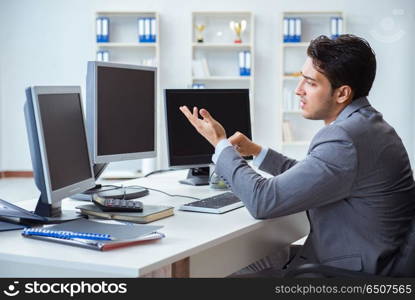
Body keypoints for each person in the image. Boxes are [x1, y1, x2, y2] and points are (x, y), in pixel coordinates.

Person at [179, 34, 415, 277]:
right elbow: (312, 173)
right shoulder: (368, 125)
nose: (298, 90)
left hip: (345, 273)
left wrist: (220, 144)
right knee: (248, 262)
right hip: (368, 260)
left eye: (311, 83)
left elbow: (263, 201)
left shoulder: (344, 138)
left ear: (342, 93)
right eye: (301, 79)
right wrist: (256, 152)